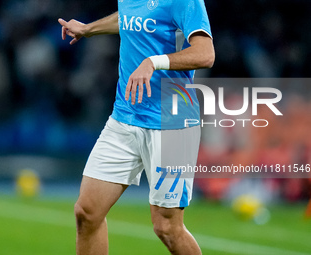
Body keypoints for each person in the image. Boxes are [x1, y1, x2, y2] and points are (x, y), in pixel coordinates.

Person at [58, 0, 214, 254]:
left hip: (171, 124)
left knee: (167, 227)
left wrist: (154, 62)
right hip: (124, 118)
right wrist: (89, 29)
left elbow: (206, 54)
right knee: (87, 213)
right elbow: (129, 17)